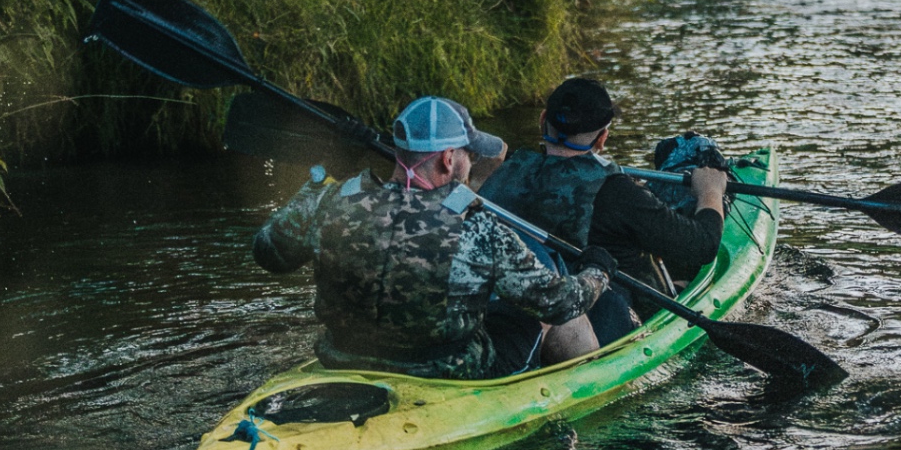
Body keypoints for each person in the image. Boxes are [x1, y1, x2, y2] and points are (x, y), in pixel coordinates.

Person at [251, 96, 616, 379]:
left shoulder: (331, 201)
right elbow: (560, 303)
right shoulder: (478, 227)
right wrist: (597, 272)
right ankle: (585, 382)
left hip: (342, 359)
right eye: (469, 155)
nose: (471, 163)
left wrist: (317, 184)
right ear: (448, 159)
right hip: (449, 372)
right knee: (535, 312)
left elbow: (269, 254)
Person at [479, 77, 729, 343]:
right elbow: (703, 246)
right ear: (602, 138)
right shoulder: (617, 192)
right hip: (600, 318)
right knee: (683, 279)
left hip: (512, 306)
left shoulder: (507, 169)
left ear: (542, 121)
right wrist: (711, 191)